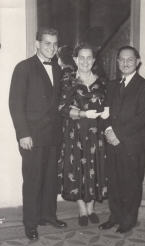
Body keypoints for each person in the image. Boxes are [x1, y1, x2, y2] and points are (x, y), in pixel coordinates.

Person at [9, 27, 67, 240]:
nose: (51, 48)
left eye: (54, 44)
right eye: (47, 43)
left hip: (53, 135)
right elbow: (15, 104)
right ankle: (31, 223)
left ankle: (48, 215)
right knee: (33, 180)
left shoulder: (58, 69)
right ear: (37, 44)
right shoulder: (23, 68)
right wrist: (23, 134)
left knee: (51, 179)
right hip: (32, 136)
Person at [99, 46, 145, 234]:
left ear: (137, 62)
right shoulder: (111, 85)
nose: (126, 63)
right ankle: (115, 216)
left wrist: (117, 134)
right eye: (122, 59)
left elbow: (141, 117)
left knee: (131, 184)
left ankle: (128, 220)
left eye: (130, 59)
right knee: (114, 183)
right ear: (117, 62)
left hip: (131, 144)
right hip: (112, 144)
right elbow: (104, 113)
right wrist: (109, 131)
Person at [58, 43, 108, 227]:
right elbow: (61, 107)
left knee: (94, 166)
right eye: (81, 57)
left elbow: (108, 105)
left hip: (97, 133)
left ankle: (91, 207)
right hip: (74, 133)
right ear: (75, 59)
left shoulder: (102, 82)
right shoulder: (67, 80)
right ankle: (81, 208)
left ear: (94, 60)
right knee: (76, 167)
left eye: (89, 57)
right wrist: (81, 114)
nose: (85, 61)